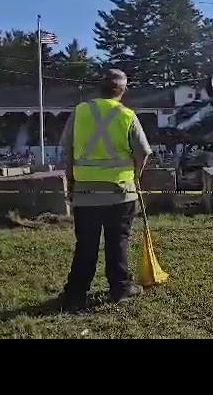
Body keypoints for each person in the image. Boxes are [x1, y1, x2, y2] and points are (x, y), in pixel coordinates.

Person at [59, 69, 152, 312]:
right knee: (118, 241)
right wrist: (135, 176)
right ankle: (120, 289)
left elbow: (67, 152)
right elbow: (143, 152)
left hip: (85, 194)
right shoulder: (127, 115)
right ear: (123, 90)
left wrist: (71, 182)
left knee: (86, 245)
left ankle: (76, 295)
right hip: (120, 192)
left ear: (98, 87)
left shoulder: (79, 112)